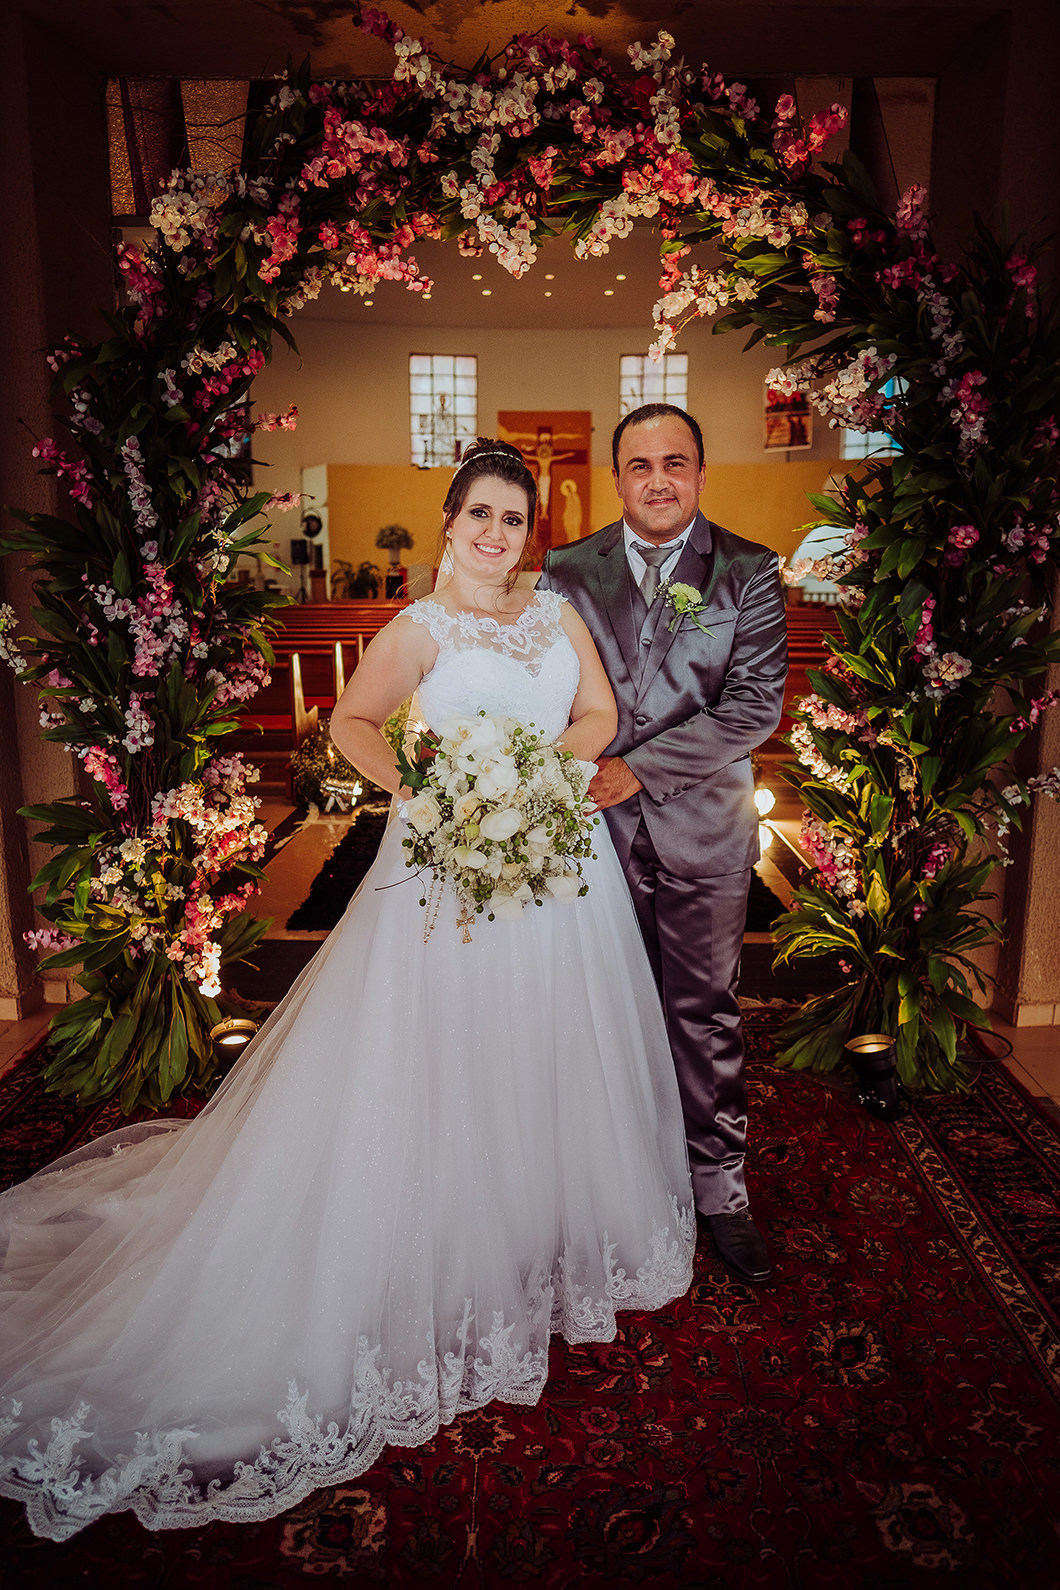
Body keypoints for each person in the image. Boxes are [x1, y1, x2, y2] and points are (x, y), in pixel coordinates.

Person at [0, 439, 694, 1543]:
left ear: (531, 531)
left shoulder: (556, 611)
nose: (494, 534)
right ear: (449, 518)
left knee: (555, 1050)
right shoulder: (417, 628)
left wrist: (541, 773)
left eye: (513, 518)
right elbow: (351, 726)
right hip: (447, 870)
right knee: (441, 1056)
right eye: (479, 513)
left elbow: (601, 719)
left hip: (559, 866)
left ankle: (538, 1226)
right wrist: (441, 790)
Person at [539, 404, 788, 1285]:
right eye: (640, 465)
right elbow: (546, 689)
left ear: (700, 472)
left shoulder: (750, 572)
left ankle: (721, 1190)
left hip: (704, 830)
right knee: (600, 1017)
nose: (657, 479)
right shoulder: (566, 570)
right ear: (616, 478)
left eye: (674, 463)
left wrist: (637, 769)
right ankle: (621, 1184)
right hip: (589, 837)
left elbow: (755, 705)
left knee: (704, 1015)